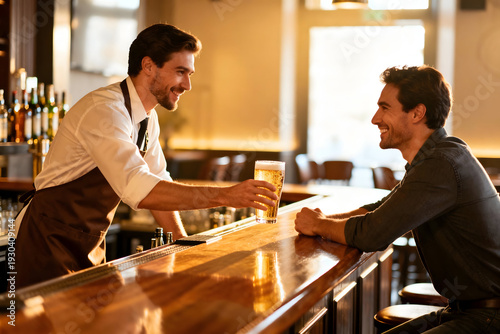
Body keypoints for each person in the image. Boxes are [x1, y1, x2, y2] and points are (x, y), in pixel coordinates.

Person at [12, 24, 278, 289]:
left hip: (88, 242)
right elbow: (140, 190)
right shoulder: (105, 110)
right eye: (180, 72)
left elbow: (157, 177)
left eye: (189, 74)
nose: (187, 84)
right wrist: (225, 195)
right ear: (149, 66)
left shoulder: (146, 118)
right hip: (46, 241)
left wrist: (181, 242)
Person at [295, 65, 500, 333]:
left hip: (488, 317)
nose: (374, 118)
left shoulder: (441, 162)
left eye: (385, 107)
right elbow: (384, 208)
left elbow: (373, 233)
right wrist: (325, 220)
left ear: (417, 113)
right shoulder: (439, 155)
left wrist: (319, 225)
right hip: (465, 308)